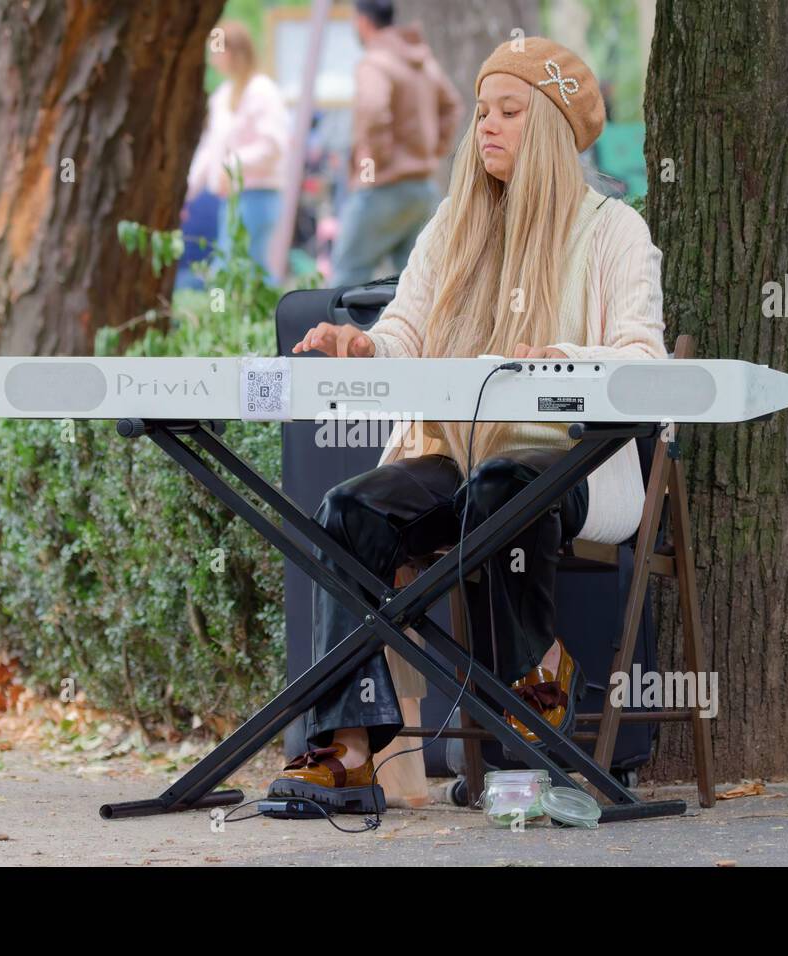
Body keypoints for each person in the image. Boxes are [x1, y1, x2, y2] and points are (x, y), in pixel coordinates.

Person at [270, 37, 668, 811]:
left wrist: (568, 358)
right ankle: (348, 751)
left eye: (510, 112)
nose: (486, 125)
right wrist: (361, 345)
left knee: (500, 489)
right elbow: (403, 336)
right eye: (481, 111)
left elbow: (642, 357)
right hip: (454, 457)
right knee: (349, 512)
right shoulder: (453, 224)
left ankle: (527, 709)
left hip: (574, 463)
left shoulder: (615, 230)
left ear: (551, 125)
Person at [330, 0, 461, 287]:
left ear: (363, 22)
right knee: (413, 286)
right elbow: (452, 105)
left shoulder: (374, 62)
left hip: (381, 188)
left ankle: (335, 334)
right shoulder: (423, 61)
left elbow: (375, 110)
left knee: (346, 279)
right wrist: (432, 150)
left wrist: (381, 159)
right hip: (421, 188)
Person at [186, 21, 289, 283]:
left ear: (232, 51)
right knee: (233, 268)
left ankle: (272, 320)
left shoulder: (261, 90)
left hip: (257, 194)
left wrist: (232, 164)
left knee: (246, 268)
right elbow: (210, 149)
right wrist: (187, 193)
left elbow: (274, 145)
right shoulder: (224, 95)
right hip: (231, 197)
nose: (212, 58)